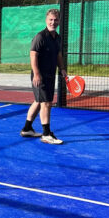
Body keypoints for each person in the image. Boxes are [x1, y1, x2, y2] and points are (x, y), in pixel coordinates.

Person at [20, 9, 66, 145]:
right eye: (50, 19)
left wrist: (62, 68)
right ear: (46, 20)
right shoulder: (40, 37)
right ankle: (46, 134)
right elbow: (33, 55)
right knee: (46, 103)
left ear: (59, 21)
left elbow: (58, 54)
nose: (53, 22)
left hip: (50, 75)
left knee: (38, 101)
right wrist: (36, 74)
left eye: (56, 20)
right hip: (40, 76)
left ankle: (27, 129)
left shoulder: (57, 38)